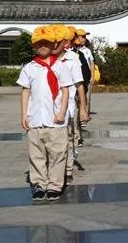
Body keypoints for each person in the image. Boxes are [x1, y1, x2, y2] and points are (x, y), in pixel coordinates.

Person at [17, 25, 73, 201]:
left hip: (55, 119)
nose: (43, 46)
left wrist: (62, 112)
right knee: (36, 154)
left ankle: (55, 185)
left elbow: (65, 91)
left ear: (53, 44)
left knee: (57, 153)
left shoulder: (60, 66)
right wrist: (24, 114)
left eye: (46, 43)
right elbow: (26, 91)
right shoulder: (29, 67)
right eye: (39, 43)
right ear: (34, 46)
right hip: (36, 119)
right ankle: (39, 184)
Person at [52, 25, 89, 187]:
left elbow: (79, 84)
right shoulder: (45, 59)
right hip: (49, 109)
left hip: (68, 107)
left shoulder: (72, 58)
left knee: (68, 138)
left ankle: (67, 170)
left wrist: (83, 108)